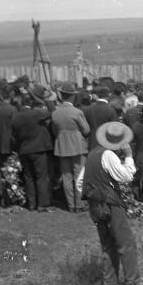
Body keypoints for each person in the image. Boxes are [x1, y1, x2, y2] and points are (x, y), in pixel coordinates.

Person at [82, 121, 143, 285]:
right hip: (110, 203)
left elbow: (80, 182)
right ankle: (133, 281)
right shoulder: (109, 155)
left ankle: (110, 282)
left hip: (94, 204)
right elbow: (126, 176)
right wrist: (129, 156)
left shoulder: (92, 154)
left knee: (108, 243)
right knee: (125, 242)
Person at [51, 82, 91, 212]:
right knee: (79, 176)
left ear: (61, 96)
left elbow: (54, 131)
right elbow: (86, 130)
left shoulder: (55, 113)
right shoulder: (77, 112)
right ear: (73, 97)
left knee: (66, 177)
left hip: (62, 146)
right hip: (78, 146)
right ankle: (79, 204)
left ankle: (71, 205)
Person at [12, 90, 54, 211]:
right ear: (30, 103)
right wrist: (45, 99)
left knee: (29, 177)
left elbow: (14, 135)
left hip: (24, 149)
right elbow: (52, 111)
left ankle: (31, 204)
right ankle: (42, 204)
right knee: (41, 177)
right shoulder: (35, 113)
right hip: (38, 149)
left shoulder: (15, 117)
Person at [84, 85, 118, 150]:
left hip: (92, 142)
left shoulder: (88, 109)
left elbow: (85, 128)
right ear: (108, 96)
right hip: (106, 144)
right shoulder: (110, 110)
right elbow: (115, 128)